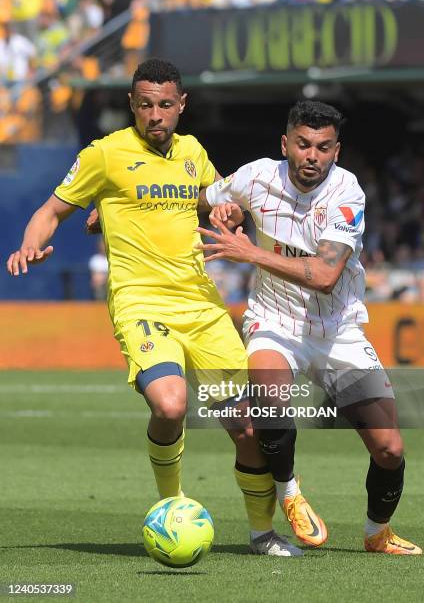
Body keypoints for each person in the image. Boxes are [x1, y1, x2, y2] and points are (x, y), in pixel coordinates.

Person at [6, 59, 322, 557]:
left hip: (200, 303)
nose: (156, 114)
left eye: (166, 105)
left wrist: (224, 209)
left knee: (246, 424)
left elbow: (220, 202)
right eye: (146, 104)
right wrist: (31, 243)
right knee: (170, 404)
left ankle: (263, 533)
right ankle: (171, 505)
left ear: (181, 106)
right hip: (141, 301)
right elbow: (50, 211)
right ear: (133, 104)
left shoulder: (193, 152)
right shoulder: (104, 155)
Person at [198, 100, 422, 555]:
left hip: (339, 328)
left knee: (390, 449)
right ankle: (290, 493)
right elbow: (204, 201)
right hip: (274, 321)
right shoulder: (257, 175)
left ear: (336, 151)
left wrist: (252, 254)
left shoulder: (347, 193)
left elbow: (324, 275)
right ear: (286, 145)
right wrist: (227, 212)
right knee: (270, 397)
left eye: (322, 147)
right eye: (303, 145)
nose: (311, 156)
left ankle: (377, 532)